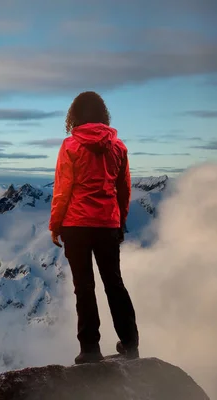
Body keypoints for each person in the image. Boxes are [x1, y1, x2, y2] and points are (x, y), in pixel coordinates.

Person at [49, 91, 139, 364]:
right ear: (103, 115)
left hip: (76, 224)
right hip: (107, 224)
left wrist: (55, 224)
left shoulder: (70, 146)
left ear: (74, 116)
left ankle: (89, 349)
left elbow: (63, 189)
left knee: (84, 286)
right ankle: (131, 343)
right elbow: (124, 189)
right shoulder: (118, 147)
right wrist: (119, 220)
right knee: (114, 284)